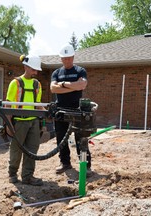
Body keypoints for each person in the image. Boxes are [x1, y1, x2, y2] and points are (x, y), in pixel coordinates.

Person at [50, 44, 92, 175]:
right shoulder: (56, 73)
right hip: (61, 110)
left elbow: (83, 85)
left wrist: (62, 84)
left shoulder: (80, 71)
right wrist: (74, 86)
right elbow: (53, 88)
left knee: (81, 138)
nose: (66, 61)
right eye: (64, 58)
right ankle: (65, 163)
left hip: (77, 109)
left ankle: (86, 165)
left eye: (69, 58)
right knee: (61, 138)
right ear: (61, 59)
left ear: (73, 57)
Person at [6, 55, 44, 186]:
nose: (36, 72)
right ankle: (12, 174)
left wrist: (47, 112)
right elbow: (8, 105)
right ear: (26, 67)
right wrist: (8, 125)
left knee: (32, 149)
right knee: (16, 149)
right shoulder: (15, 83)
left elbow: (37, 103)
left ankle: (28, 176)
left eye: (36, 70)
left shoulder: (37, 84)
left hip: (33, 122)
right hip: (19, 122)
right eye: (34, 69)